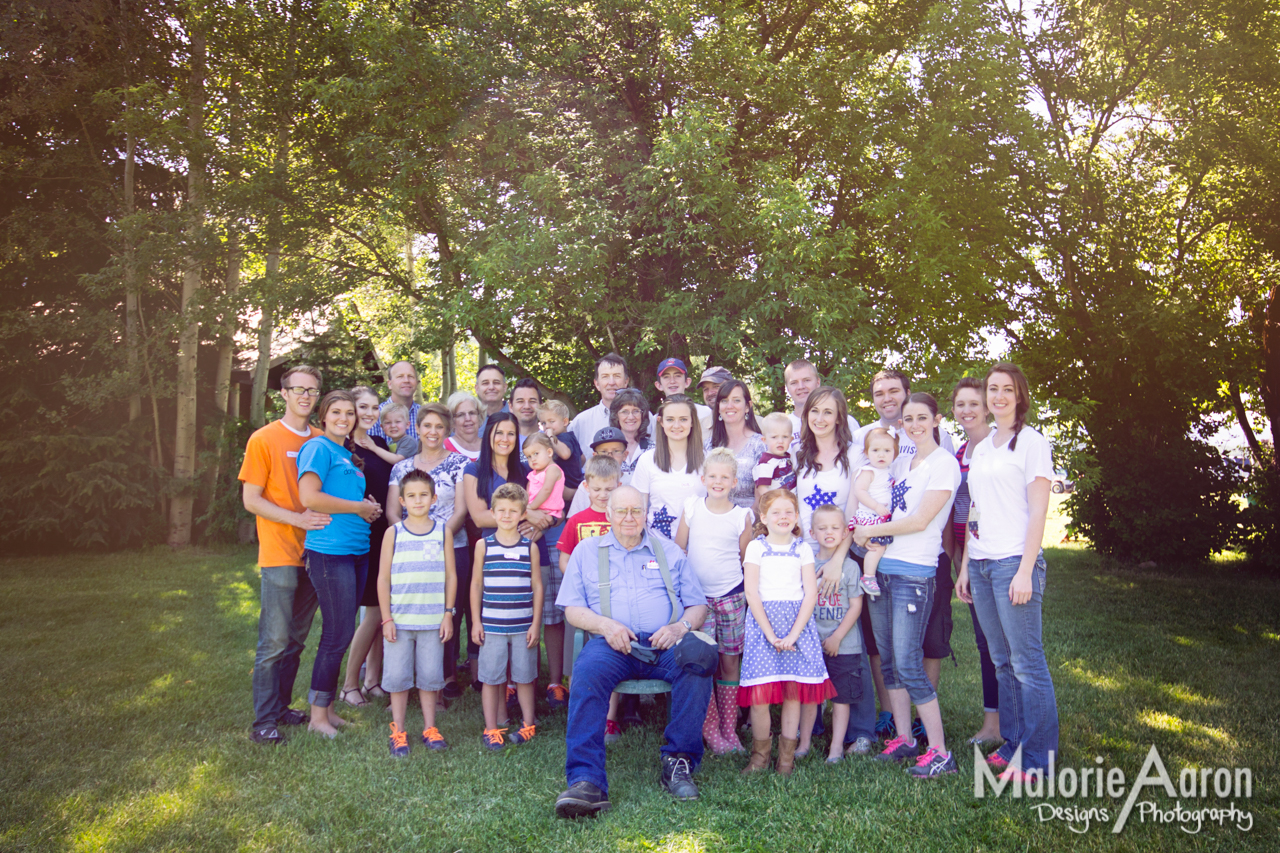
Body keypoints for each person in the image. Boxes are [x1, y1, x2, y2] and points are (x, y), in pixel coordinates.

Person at [554, 486, 711, 817]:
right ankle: (586, 780)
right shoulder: (586, 552)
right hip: (612, 645)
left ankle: (678, 762)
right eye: (621, 511)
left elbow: (698, 605)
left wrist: (679, 628)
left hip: (663, 643)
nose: (629, 518)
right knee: (586, 672)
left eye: (636, 511)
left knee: (697, 661)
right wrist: (605, 627)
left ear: (645, 514)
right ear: (608, 514)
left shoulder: (667, 550)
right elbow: (571, 609)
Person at [955, 363, 1057, 782]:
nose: (997, 396)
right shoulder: (982, 448)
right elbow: (975, 511)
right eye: (992, 389)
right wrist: (965, 566)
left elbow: (1038, 511)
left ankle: (1038, 759)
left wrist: (1026, 571)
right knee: (1001, 661)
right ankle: (1014, 743)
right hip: (980, 564)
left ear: (1020, 396)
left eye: (1006, 390)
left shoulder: (1032, 443)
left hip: (1014, 562)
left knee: (1027, 662)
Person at [853, 392, 960, 778]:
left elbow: (918, 521)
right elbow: (871, 485)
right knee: (890, 660)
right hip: (882, 568)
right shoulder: (899, 460)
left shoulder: (943, 465)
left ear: (936, 419)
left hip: (914, 571)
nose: (914, 424)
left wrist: (870, 532)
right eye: (908, 419)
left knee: (910, 662)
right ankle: (904, 739)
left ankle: (940, 752)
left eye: (921, 418)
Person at [239, 364, 327, 745]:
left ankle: (280, 708)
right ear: (284, 394)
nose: (305, 396)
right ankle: (263, 722)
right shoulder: (264, 439)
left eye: (311, 390)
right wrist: (296, 519)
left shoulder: (323, 438)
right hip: (279, 551)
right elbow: (251, 500)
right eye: (298, 389)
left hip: (317, 553)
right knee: (273, 641)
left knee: (295, 639)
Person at [296, 390, 382, 738]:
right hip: (330, 552)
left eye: (350, 413)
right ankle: (317, 717)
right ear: (323, 416)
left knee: (342, 631)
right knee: (336, 633)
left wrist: (367, 507)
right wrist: (358, 508)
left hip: (357, 549)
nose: (344, 418)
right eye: (337, 412)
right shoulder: (317, 448)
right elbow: (309, 497)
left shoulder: (345, 453)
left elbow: (344, 500)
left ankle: (328, 709)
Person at [738, 489, 835, 776]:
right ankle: (759, 758)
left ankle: (786, 760)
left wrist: (793, 634)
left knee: (793, 692)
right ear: (764, 517)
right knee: (759, 694)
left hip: (797, 626)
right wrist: (769, 634)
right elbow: (752, 593)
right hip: (763, 624)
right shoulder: (757, 547)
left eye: (788, 512)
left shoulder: (802, 548)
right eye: (776, 512)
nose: (783, 517)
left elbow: (810, 594)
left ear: (796, 517)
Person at [387, 403, 471, 696]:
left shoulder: (461, 464)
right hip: (410, 553)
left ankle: (444, 676)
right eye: (427, 426)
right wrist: (413, 539)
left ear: (447, 430)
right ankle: (406, 674)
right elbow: (392, 512)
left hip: (452, 547)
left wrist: (440, 538)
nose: (433, 432)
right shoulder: (402, 468)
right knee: (412, 608)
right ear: (418, 429)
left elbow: (461, 509)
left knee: (449, 611)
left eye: (439, 427)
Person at [674, 448, 753, 755]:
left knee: (730, 662)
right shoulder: (692, 507)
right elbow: (680, 549)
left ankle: (729, 729)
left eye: (725, 477)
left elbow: (746, 559)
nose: (718, 482)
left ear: (734, 482)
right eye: (713, 476)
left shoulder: (741, 516)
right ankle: (710, 730)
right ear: (703, 478)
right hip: (698, 601)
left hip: (732, 596)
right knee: (703, 661)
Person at [377, 470, 456, 756]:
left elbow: (451, 575)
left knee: (430, 676)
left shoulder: (442, 531)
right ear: (402, 500)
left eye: (424, 494)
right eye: (411, 496)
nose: (418, 500)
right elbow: (383, 578)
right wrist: (386, 618)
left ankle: (430, 728)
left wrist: (448, 612)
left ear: (434, 498)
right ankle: (398, 731)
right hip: (399, 620)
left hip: (432, 620)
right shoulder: (393, 533)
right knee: (397, 678)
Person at [337, 386, 402, 708]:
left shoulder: (377, 443)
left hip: (383, 535)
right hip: (358, 535)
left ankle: (373, 680)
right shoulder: (342, 445)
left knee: (381, 609)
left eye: (375, 407)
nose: (369, 413)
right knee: (373, 612)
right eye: (363, 406)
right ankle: (349, 684)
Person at [947, 376, 1001, 747]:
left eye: (973, 403)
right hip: (967, 555)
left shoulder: (1000, 448)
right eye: (960, 404)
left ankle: (1018, 724)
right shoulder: (958, 454)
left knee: (1007, 646)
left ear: (987, 407)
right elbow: (956, 511)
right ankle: (993, 724)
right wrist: (956, 559)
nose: (966, 410)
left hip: (996, 556)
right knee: (985, 643)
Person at [471, 483, 543, 750]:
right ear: (493, 511)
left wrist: (536, 624)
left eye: (513, 511)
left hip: (523, 624)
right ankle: (491, 728)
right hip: (492, 625)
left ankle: (528, 724)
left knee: (524, 677)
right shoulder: (483, 545)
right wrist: (477, 621)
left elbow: (537, 585)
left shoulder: (529, 548)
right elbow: (476, 584)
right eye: (501, 510)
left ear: (523, 513)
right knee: (491, 677)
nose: (507, 515)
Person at [556, 455, 624, 740]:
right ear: (586, 487)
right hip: (583, 600)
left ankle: (609, 718)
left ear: (619, 486)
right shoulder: (577, 522)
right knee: (576, 660)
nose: (602, 495)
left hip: (614, 601)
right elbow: (564, 560)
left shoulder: (622, 519)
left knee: (612, 657)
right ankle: (578, 712)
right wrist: (581, 581)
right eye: (597, 489)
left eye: (609, 489)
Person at [806, 504, 869, 762]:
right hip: (812, 643)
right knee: (810, 694)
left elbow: (856, 606)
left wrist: (837, 637)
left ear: (845, 533)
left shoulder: (851, 567)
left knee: (841, 698)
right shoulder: (807, 564)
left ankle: (836, 748)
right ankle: (804, 742)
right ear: (812, 532)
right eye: (822, 528)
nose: (829, 533)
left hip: (844, 645)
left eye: (835, 528)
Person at [792, 386, 858, 597]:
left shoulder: (854, 455)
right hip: (803, 552)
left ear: (839, 418)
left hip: (840, 553)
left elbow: (854, 514)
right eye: (814, 411)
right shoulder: (797, 452)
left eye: (828, 412)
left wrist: (837, 561)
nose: (820, 418)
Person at [524, 431, 571, 706]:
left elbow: (542, 494)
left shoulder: (552, 469)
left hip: (551, 517)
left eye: (536, 454)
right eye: (528, 457)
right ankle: (522, 678)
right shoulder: (534, 473)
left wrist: (526, 508)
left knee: (554, 610)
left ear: (549, 452)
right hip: (536, 519)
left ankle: (556, 680)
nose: (532, 460)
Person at [631, 394, 707, 540]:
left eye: (683, 419)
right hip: (658, 547)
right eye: (670, 419)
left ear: (692, 422)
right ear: (661, 422)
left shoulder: (707, 460)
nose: (676, 426)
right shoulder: (647, 460)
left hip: (698, 545)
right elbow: (638, 510)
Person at [851, 428, 897, 598]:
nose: (881, 455)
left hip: (880, 516)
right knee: (877, 548)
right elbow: (860, 491)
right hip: (870, 516)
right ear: (866, 452)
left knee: (881, 547)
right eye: (875, 450)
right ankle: (868, 577)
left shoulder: (887, 470)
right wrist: (877, 506)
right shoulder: (868, 471)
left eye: (887, 450)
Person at [708, 378, 765, 510]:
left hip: (750, 521)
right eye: (724, 401)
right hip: (713, 519)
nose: (729, 406)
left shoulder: (760, 445)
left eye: (736, 400)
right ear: (718, 408)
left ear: (747, 407)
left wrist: (746, 525)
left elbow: (763, 497)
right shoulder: (708, 447)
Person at [564, 427, 630, 526]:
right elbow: (573, 520)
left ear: (625, 455)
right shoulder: (586, 485)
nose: (609, 456)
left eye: (616, 451)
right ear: (595, 455)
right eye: (603, 452)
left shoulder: (633, 482)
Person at [784, 359, 859, 444]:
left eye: (807, 380)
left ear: (818, 382)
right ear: (787, 388)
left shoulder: (846, 421)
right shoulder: (780, 426)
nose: (801, 387)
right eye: (794, 383)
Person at [568, 352, 629, 451]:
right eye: (605, 376)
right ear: (597, 384)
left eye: (617, 376)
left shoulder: (642, 417)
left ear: (626, 382)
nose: (611, 382)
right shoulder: (580, 422)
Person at [538, 399, 584, 506]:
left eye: (551, 421)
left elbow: (565, 454)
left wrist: (550, 437)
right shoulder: (571, 437)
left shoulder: (563, 438)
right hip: (574, 484)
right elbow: (582, 458)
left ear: (564, 422)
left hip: (569, 485)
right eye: (544, 423)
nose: (547, 426)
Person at [653, 357, 713, 434]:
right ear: (658, 385)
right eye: (666, 377)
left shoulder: (705, 413)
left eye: (677, 376)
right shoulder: (654, 421)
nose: (672, 381)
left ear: (687, 382)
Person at [367, 360, 421, 443]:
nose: (406, 380)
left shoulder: (424, 414)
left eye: (411, 376)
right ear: (389, 384)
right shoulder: (376, 414)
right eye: (400, 376)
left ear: (416, 383)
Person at [609, 387, 652, 483]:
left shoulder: (653, 449)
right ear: (616, 415)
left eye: (636, 411)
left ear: (643, 415)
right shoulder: (607, 450)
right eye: (625, 412)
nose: (631, 417)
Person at [753, 411, 797, 500]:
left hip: (792, 504)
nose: (780, 441)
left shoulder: (789, 458)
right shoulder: (766, 462)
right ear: (764, 440)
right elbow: (762, 488)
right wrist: (777, 502)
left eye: (785, 437)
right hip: (777, 506)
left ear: (791, 439)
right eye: (774, 437)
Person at [444, 391, 484, 461]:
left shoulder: (490, 446)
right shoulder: (444, 447)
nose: (468, 418)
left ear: (479, 416)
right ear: (452, 420)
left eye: (472, 413)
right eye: (461, 415)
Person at [510, 377, 543, 459]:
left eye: (532, 401)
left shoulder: (552, 440)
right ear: (510, 406)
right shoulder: (503, 442)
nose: (527, 406)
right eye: (520, 401)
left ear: (541, 406)